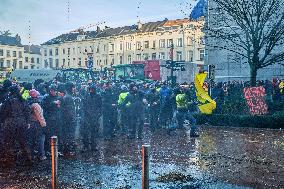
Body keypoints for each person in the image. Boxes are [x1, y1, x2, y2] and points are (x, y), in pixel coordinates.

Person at [1, 85, 32, 166]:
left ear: (10, 92)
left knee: (9, 142)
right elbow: (27, 112)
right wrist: (28, 122)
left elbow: (3, 113)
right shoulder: (23, 100)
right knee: (23, 141)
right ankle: (28, 159)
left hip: (10, 123)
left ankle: (10, 161)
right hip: (22, 122)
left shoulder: (7, 101)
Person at [81, 84, 102, 151]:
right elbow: (84, 106)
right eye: (90, 89)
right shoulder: (86, 96)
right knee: (86, 132)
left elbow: (100, 106)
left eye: (92, 89)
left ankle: (93, 146)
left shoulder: (98, 96)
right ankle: (86, 146)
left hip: (95, 117)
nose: (91, 91)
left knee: (94, 132)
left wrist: (98, 115)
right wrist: (86, 114)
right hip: (87, 116)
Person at [28, 89, 47, 160]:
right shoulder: (36, 104)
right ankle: (41, 155)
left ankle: (31, 155)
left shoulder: (28, 102)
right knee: (41, 139)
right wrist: (44, 125)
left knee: (31, 140)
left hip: (30, 123)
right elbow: (40, 116)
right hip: (37, 124)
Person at [42, 85, 60, 153]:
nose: (55, 92)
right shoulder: (46, 97)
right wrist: (53, 103)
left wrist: (58, 105)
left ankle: (55, 149)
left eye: (55, 91)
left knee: (56, 134)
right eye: (53, 91)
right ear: (50, 91)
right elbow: (44, 106)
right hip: (49, 119)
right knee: (49, 135)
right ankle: (48, 150)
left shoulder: (57, 97)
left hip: (56, 118)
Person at [61, 82, 76, 155]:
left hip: (67, 120)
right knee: (69, 135)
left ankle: (67, 149)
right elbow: (69, 110)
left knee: (67, 135)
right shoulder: (68, 97)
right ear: (70, 88)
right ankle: (68, 150)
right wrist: (73, 119)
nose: (74, 89)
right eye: (73, 87)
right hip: (69, 121)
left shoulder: (67, 96)